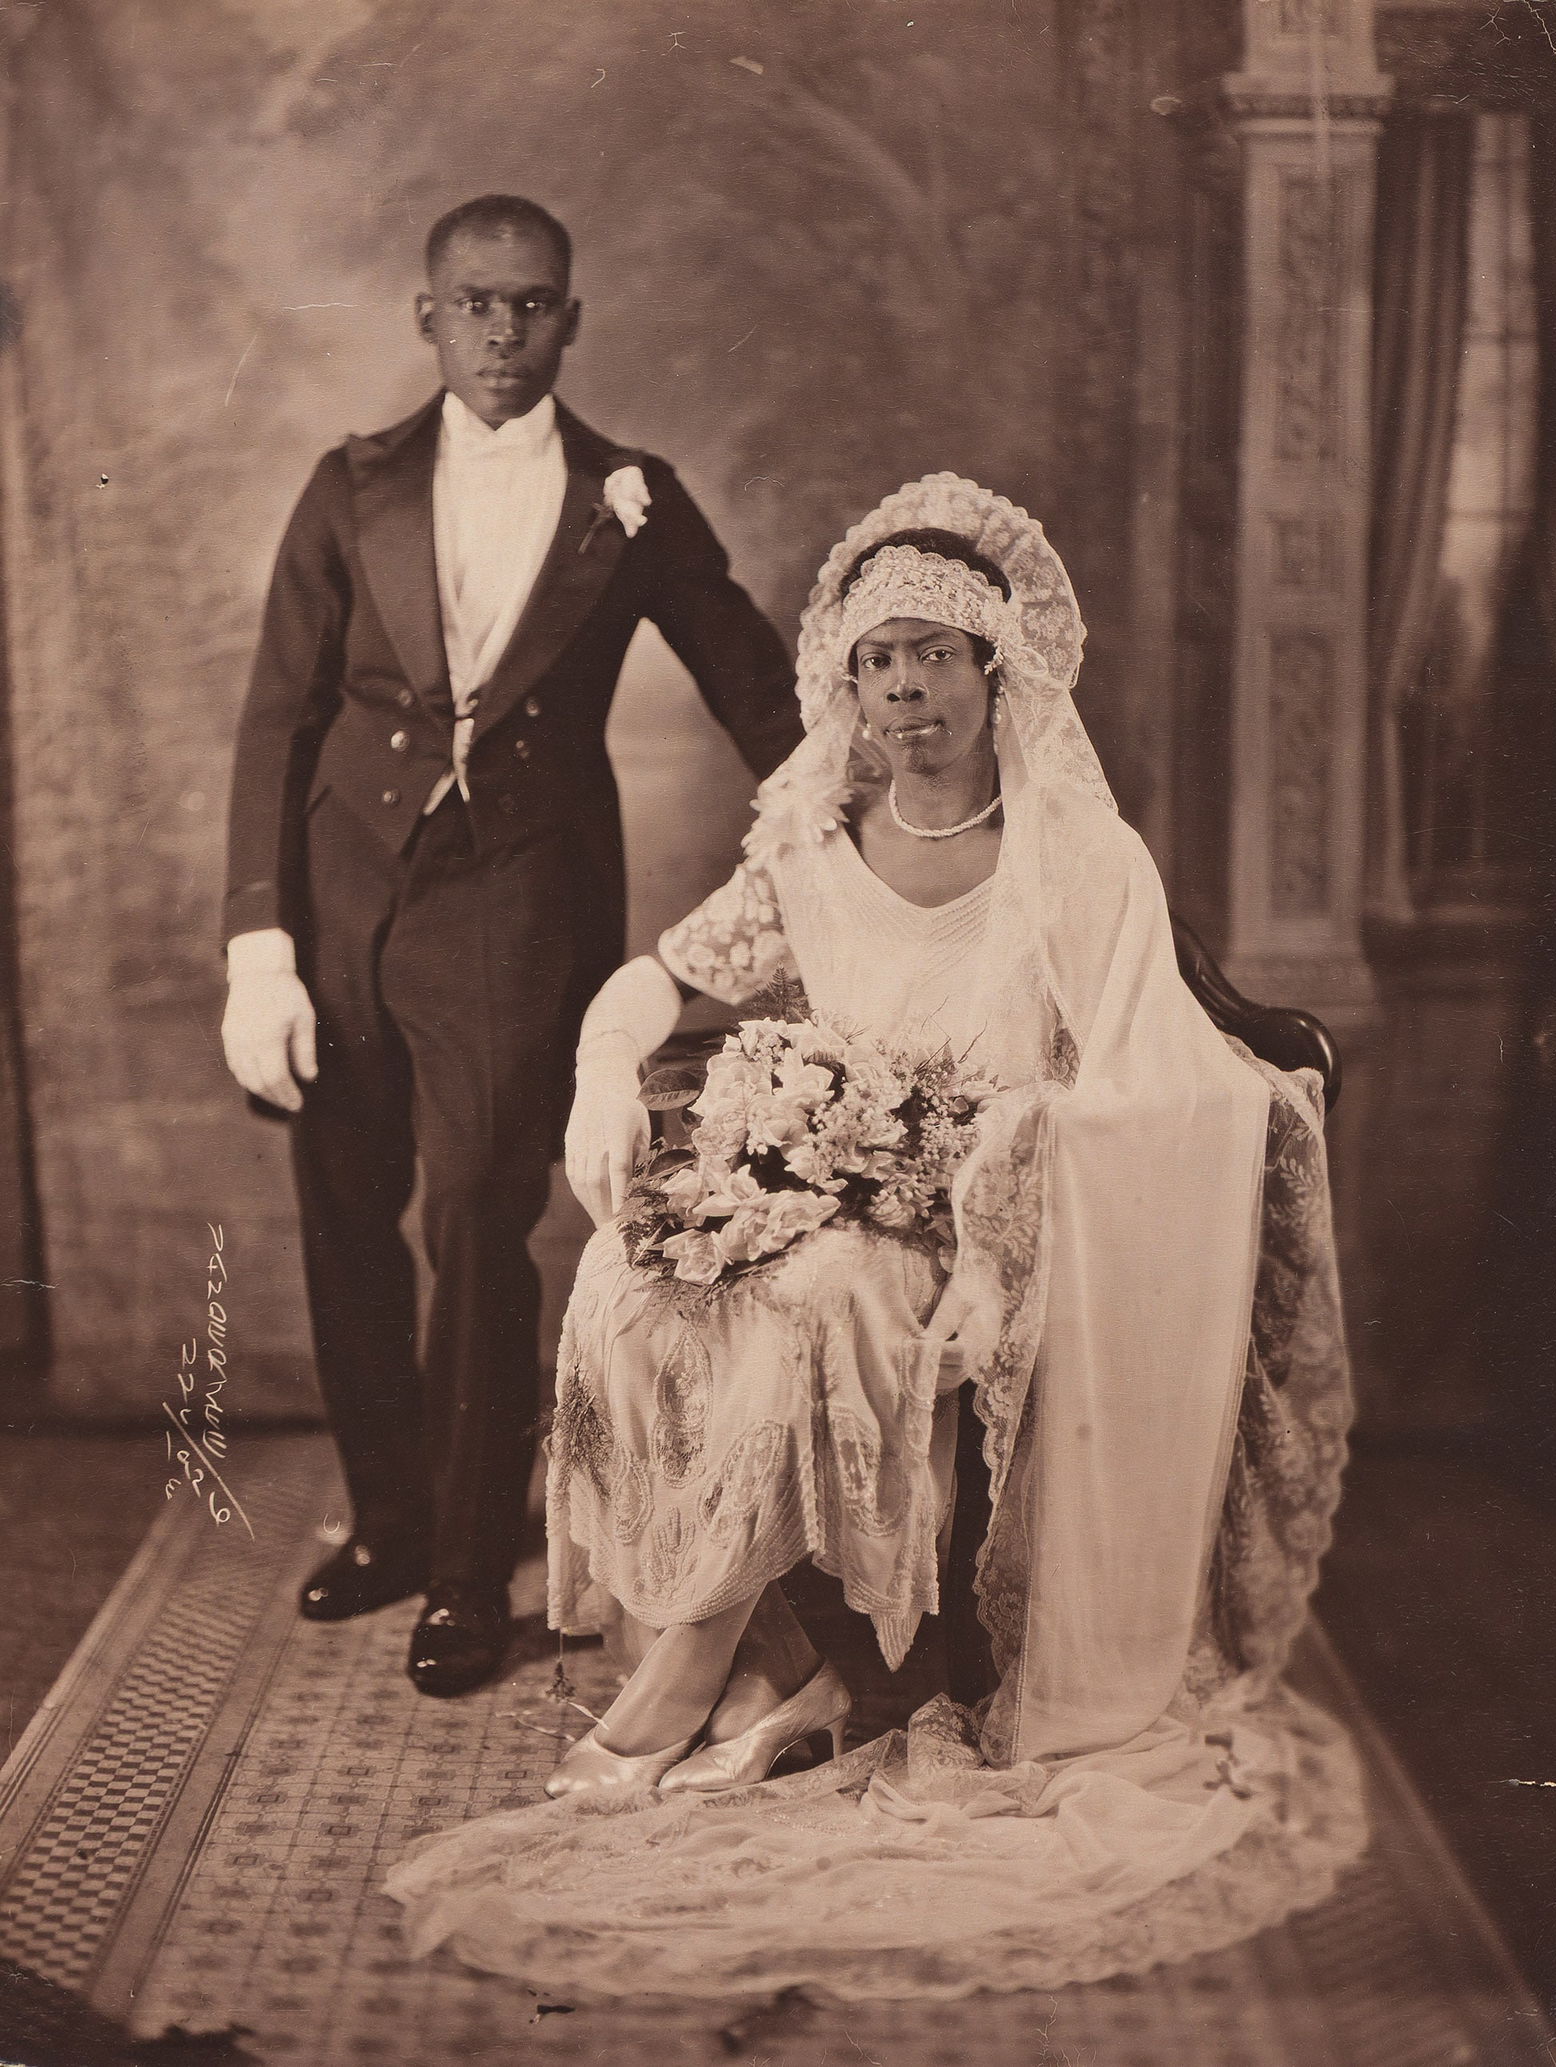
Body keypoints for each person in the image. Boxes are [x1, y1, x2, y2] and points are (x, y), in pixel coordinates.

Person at [384, 478, 1367, 1996]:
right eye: (878, 660)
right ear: (843, 686)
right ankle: (798, 1669)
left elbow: (1142, 1087)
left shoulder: (1082, 864)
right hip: (819, 1192)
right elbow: (663, 979)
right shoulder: (811, 852)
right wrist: (600, 1071)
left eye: (939, 656)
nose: (908, 688)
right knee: (625, 1279)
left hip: (981, 1223)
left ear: (997, 674)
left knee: (821, 1296)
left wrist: (998, 1217)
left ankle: (687, 1678)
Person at [220, 194, 801, 1698]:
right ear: (428, 317)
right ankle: (397, 1525)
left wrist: (869, 808)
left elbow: (753, 680)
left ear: (571, 320)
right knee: (348, 1211)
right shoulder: (349, 488)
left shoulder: (635, 496)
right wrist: (258, 949)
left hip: (517, 903)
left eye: (531, 304)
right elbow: (277, 725)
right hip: (346, 897)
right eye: (474, 303)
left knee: (479, 1215)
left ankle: (473, 1572)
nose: (500, 330)